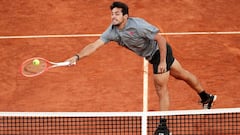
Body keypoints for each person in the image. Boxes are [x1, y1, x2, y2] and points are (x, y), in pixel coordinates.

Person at [66, 1, 217, 110]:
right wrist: (77, 56)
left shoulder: (138, 25)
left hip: (160, 52)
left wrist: (163, 61)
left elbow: (161, 39)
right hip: (151, 56)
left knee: (160, 87)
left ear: (125, 16)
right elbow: (94, 45)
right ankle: (206, 97)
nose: (113, 17)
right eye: (112, 14)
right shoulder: (111, 31)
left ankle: (163, 127)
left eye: (117, 14)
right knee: (181, 75)